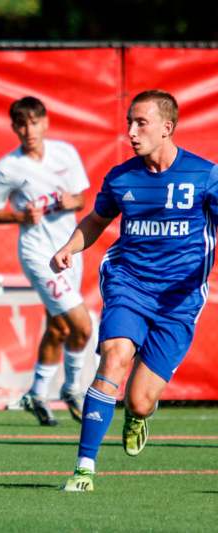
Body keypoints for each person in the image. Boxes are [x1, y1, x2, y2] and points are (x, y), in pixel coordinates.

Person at [52, 90, 217, 492]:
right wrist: (69, 248)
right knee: (115, 355)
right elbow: (95, 220)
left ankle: (138, 415)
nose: (130, 131)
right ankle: (84, 469)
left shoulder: (205, 175)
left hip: (178, 299)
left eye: (141, 123)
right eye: (129, 122)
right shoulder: (122, 177)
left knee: (140, 399)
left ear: (167, 128)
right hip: (129, 282)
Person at [0, 96, 93, 426]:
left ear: (45, 123)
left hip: (69, 250)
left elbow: (82, 198)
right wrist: (18, 216)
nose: (29, 130)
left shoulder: (65, 154)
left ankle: (37, 393)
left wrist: (73, 200)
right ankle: (73, 389)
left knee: (58, 327)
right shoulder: (7, 168)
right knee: (82, 326)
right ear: (14, 128)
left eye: (34, 122)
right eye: (22, 124)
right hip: (38, 254)